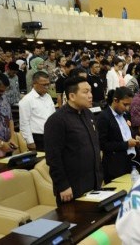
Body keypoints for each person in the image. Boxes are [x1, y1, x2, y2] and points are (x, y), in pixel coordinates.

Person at [44, 76, 102, 205]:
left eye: (91, 91)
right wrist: (63, 185)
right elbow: (53, 158)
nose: (90, 95)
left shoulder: (88, 114)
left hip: (93, 181)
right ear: (72, 96)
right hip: (72, 186)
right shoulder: (57, 120)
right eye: (85, 92)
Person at [97, 87, 140, 183]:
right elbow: (102, 144)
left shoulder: (125, 115)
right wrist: (126, 144)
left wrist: (135, 138)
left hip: (130, 161)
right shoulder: (104, 117)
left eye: (129, 105)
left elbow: (126, 133)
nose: (127, 108)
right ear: (115, 100)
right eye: (125, 104)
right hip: (114, 166)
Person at [19, 71, 55, 151]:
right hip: (37, 137)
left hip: (51, 135)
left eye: (48, 84)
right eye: (44, 85)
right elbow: (24, 123)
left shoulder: (48, 97)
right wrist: (30, 141)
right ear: (34, 84)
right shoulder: (27, 100)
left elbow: (53, 116)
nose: (47, 87)